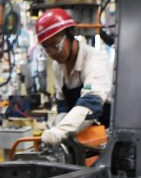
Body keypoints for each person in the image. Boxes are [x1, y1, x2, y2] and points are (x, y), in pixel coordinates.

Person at [34, 8, 113, 147]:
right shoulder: (58, 66)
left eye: (55, 44)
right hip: (81, 138)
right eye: (47, 48)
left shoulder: (95, 61)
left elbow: (91, 105)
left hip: (108, 138)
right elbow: (63, 104)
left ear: (71, 34)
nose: (52, 52)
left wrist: (60, 131)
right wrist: (58, 123)